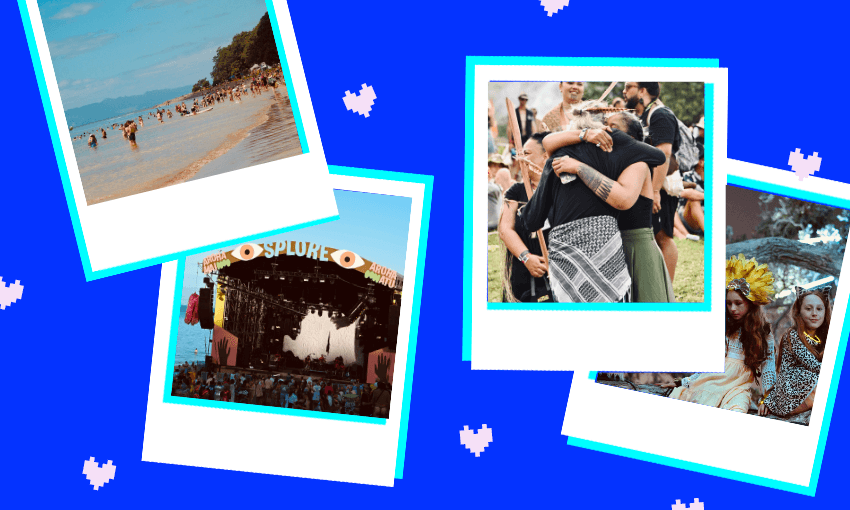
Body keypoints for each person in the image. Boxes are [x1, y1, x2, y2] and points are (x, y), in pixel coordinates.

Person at [521, 103, 666, 303]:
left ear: (629, 139)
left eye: (612, 127)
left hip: (635, 249)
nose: (604, 129)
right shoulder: (604, 161)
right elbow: (548, 141)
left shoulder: (638, 164)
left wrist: (579, 167)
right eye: (603, 125)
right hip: (613, 246)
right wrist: (584, 135)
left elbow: (622, 200)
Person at [662, 254, 776, 413]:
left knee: (737, 410)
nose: (733, 308)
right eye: (729, 303)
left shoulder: (763, 331)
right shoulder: (726, 327)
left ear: (750, 304)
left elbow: (768, 367)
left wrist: (768, 398)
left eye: (738, 303)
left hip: (738, 388)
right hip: (712, 381)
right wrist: (684, 382)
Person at [634, 82, 682, 282]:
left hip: (661, 188)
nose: (624, 91)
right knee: (655, 236)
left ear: (642, 90)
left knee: (664, 237)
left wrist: (654, 192)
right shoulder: (646, 114)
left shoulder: (660, 114)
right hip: (653, 187)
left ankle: (667, 293)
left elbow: (664, 153)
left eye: (629, 87)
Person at [498, 132, 552, 302]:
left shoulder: (562, 189)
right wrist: (526, 257)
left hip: (556, 272)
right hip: (522, 272)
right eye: (519, 154)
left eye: (526, 154)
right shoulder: (516, 191)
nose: (520, 159)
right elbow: (505, 229)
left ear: (546, 156)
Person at [765, 282, 832, 417]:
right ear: (799, 311)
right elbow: (813, 366)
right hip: (791, 390)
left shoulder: (825, 336)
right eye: (808, 309)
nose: (814, 313)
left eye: (819, 309)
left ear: (825, 311)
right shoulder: (793, 335)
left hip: (811, 385)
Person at [674, 143, 705, 239]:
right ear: (701, 162)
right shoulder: (688, 176)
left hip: (705, 213)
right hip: (687, 215)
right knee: (694, 201)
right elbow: (686, 193)